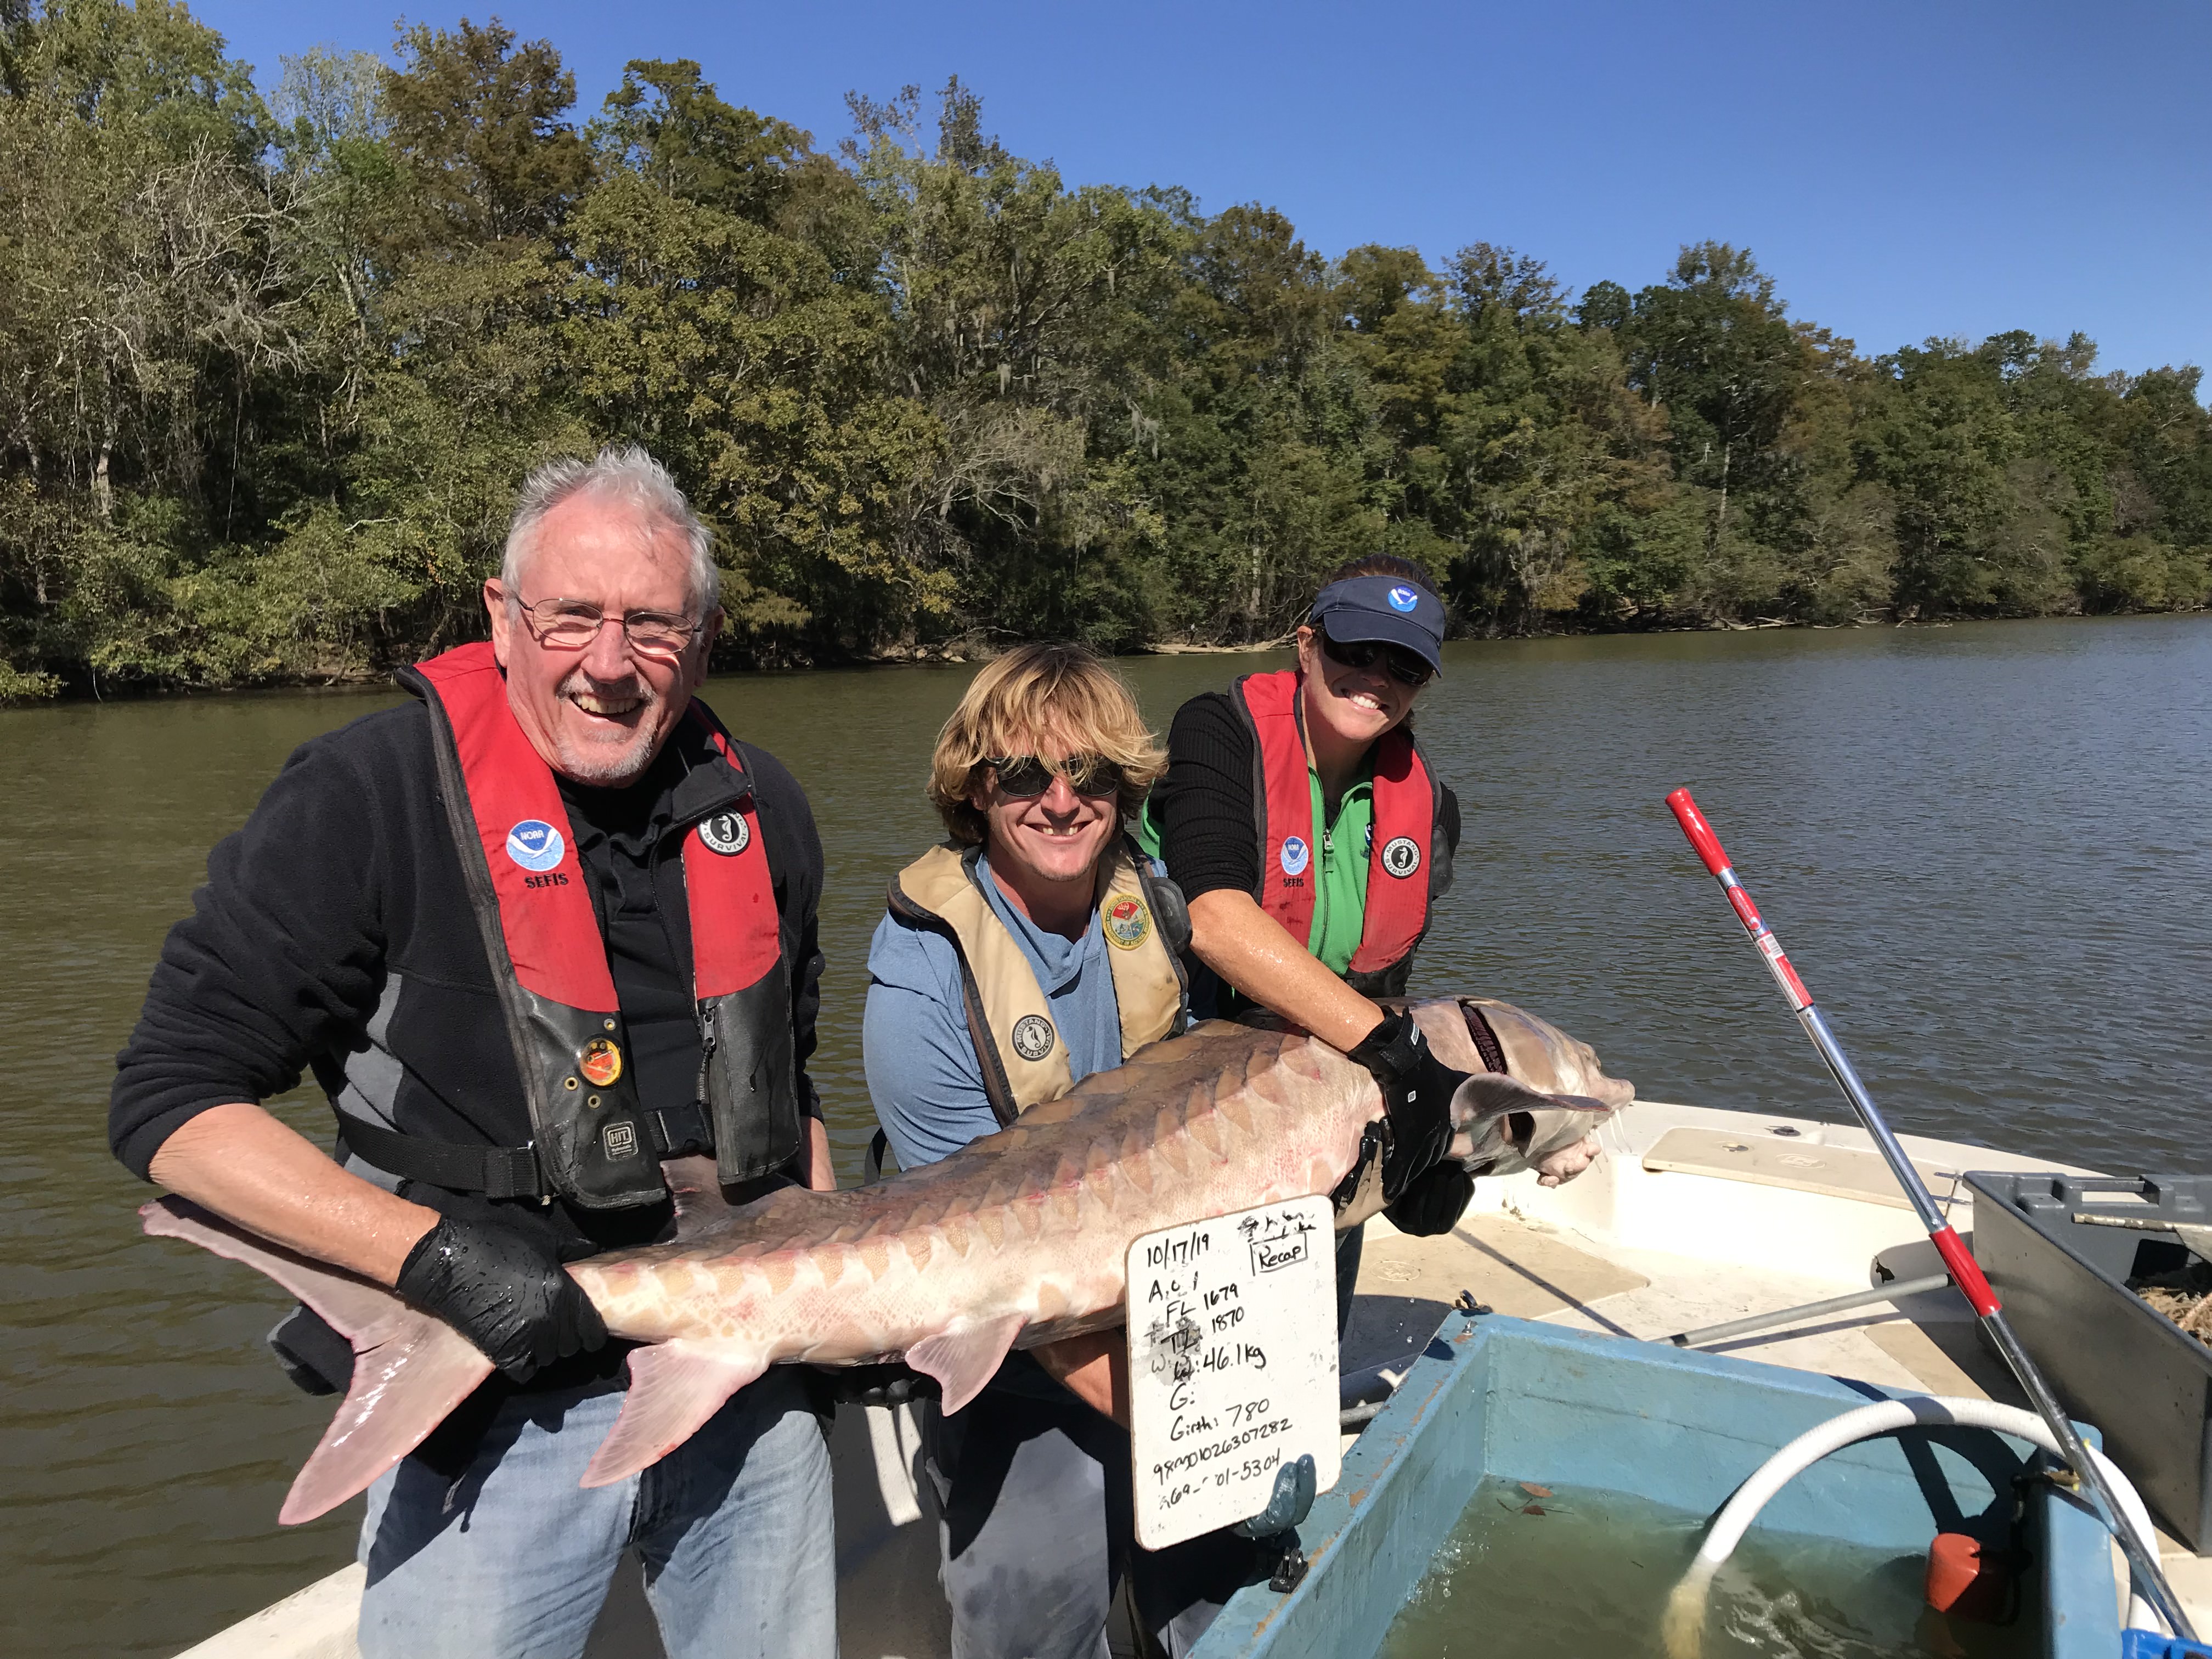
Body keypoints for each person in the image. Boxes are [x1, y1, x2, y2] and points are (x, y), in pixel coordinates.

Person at [110, 448, 839, 1659]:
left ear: (704, 640)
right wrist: (443, 1266)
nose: (610, 663)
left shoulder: (763, 808)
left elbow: (791, 1088)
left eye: (653, 626)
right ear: (502, 619)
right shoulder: (364, 794)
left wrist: (834, 1299)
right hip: (487, 1419)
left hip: (746, 1395)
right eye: (572, 617)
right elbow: (171, 1108)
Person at [862, 643, 1260, 1659]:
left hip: (1178, 1313)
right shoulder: (921, 981)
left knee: (1238, 1595)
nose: (1060, 801)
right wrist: (1187, 1430)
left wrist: (1229, 1412)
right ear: (974, 790)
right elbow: (981, 1266)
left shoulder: (1160, 911)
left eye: (1087, 773)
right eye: (1024, 775)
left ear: (1122, 787)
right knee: (1033, 1607)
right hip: (1015, 1349)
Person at [1142, 555, 1602, 1268]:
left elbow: (1385, 993)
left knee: (1313, 1339)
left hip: (1324, 1101)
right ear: (1305, 644)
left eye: (1405, 666)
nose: (1376, 677)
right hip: (1174, 1093)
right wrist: (1405, 1062)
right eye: (1354, 651)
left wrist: (1517, 1133)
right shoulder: (1217, 733)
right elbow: (1216, 919)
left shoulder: (1430, 808)